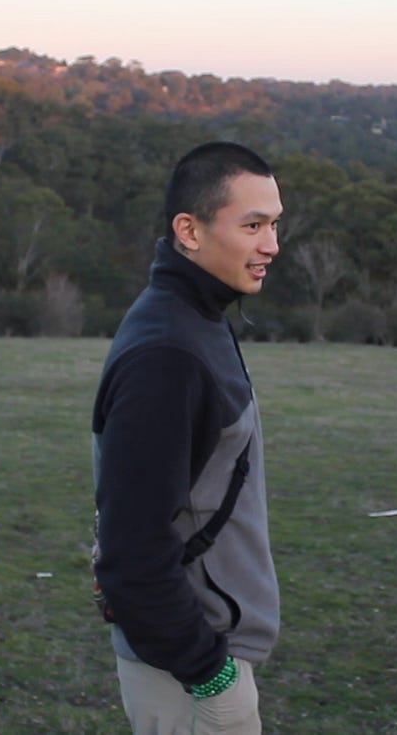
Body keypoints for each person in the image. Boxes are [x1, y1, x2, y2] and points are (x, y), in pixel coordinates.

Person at [91, 141, 283, 734]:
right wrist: (211, 674)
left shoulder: (195, 317)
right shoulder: (169, 353)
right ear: (189, 231)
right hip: (187, 673)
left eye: (275, 225)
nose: (271, 245)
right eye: (253, 225)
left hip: (195, 656)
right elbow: (131, 549)